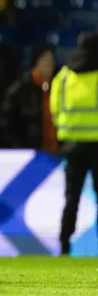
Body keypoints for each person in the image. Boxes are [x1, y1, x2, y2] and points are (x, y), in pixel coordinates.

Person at [50, 32, 98, 255]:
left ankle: (64, 243)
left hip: (72, 144)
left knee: (72, 197)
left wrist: (65, 129)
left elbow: (54, 108)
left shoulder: (65, 75)